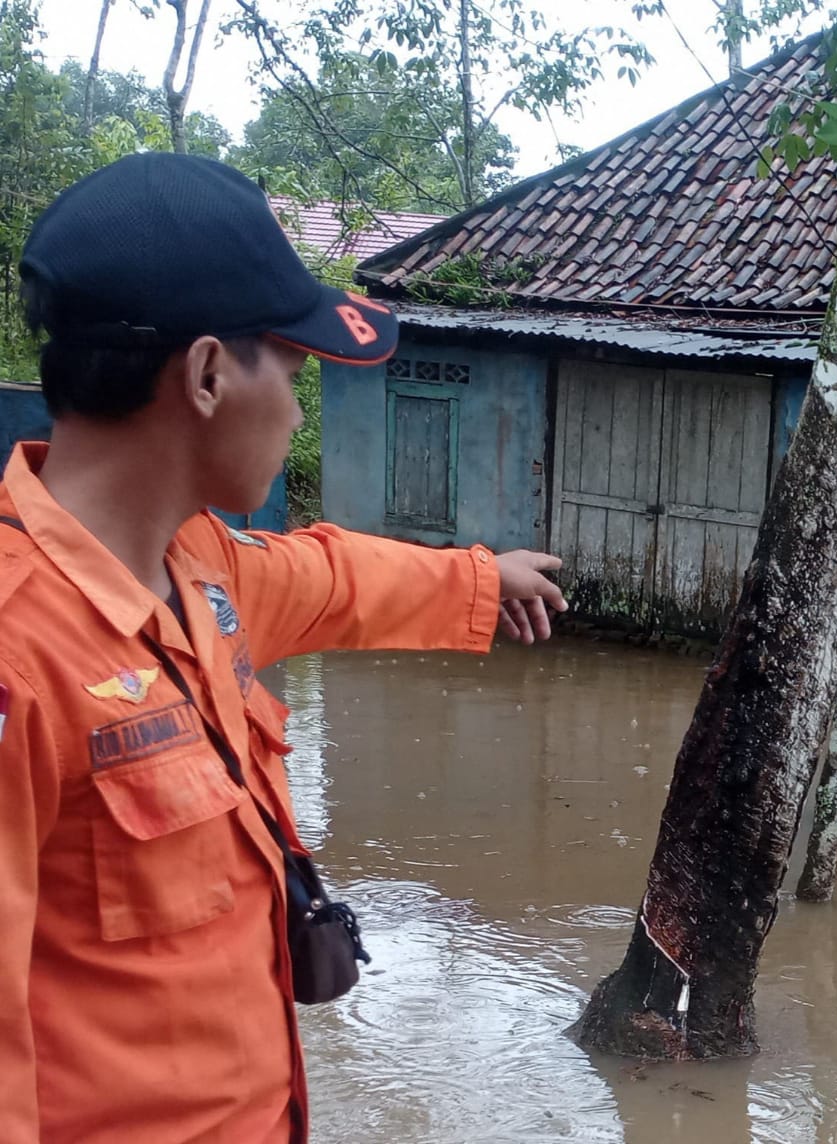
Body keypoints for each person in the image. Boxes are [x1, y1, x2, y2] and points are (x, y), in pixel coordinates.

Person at [0, 153, 568, 1142]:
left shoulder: (198, 565)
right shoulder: (20, 655)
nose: (302, 410)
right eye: (296, 370)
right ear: (208, 374)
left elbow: (335, 579)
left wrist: (483, 577)